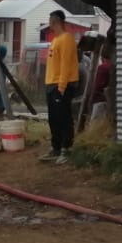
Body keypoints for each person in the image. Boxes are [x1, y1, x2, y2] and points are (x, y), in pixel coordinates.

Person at [41, 10, 80, 164]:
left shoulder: (67, 39)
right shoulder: (55, 40)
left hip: (61, 84)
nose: (49, 23)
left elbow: (65, 65)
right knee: (53, 118)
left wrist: (62, 87)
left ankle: (66, 148)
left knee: (64, 117)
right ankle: (55, 147)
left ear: (55, 21)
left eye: (50, 20)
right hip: (51, 83)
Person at [90, 49, 111, 120]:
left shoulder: (103, 68)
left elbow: (98, 85)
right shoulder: (112, 66)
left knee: (95, 124)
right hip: (108, 100)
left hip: (100, 100)